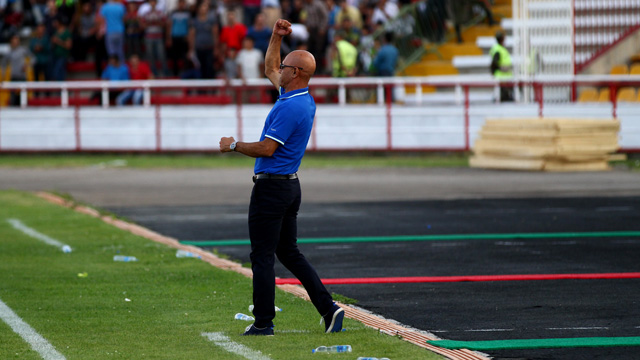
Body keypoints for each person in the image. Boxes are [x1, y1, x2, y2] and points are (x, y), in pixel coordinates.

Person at [218, 18, 344, 336]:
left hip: (272, 188)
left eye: (286, 66)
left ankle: (263, 323)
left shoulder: (290, 108)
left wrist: (233, 145)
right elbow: (269, 67)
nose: (280, 68)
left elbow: (266, 148)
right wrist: (276, 36)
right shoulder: (297, 97)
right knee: (289, 252)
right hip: (289, 186)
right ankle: (329, 309)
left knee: (262, 256)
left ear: (296, 73)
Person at [2, 34, 35, 106]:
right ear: (11, 42)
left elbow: (33, 59)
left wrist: (27, 65)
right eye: (13, 41)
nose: (15, 43)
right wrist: (3, 76)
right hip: (13, 76)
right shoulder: (9, 52)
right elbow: (3, 64)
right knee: (13, 96)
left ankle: (24, 112)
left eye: (16, 41)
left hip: (22, 76)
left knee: (23, 95)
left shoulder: (23, 50)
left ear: (19, 42)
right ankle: (12, 113)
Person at [141, 0, 168, 77]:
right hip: (149, 37)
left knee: (161, 55)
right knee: (150, 56)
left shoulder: (160, 13)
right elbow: (143, 25)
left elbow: (164, 24)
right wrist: (153, 23)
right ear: (149, 3)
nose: (152, 3)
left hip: (158, 37)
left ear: (156, 3)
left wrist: (152, 23)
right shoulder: (146, 14)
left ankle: (164, 72)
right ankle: (153, 72)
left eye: (154, 2)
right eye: (151, 2)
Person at [167, 0, 190, 76]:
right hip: (175, 37)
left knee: (185, 56)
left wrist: (188, 36)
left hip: (184, 37)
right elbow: (169, 25)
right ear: (178, 4)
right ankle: (175, 74)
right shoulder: (173, 13)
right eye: (180, 3)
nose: (181, 4)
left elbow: (189, 26)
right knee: (175, 57)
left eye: (183, 3)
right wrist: (169, 38)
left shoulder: (187, 13)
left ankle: (185, 73)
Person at [490, 30, 513, 102]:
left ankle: (502, 97)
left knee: (505, 90)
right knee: (502, 92)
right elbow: (495, 63)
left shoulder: (500, 48)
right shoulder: (498, 49)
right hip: (501, 75)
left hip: (504, 75)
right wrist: (501, 68)